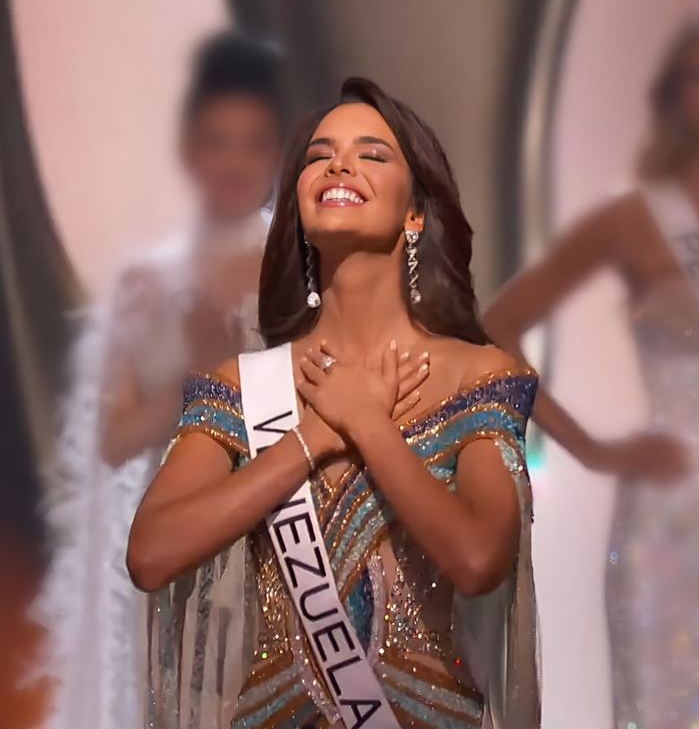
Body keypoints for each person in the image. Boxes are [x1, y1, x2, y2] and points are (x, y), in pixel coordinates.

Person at [129, 77, 540, 728]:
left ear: (415, 212)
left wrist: (368, 423)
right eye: (320, 155)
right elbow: (151, 554)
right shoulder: (244, 386)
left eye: (373, 154)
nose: (340, 164)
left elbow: (477, 558)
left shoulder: (478, 374)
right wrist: (312, 437)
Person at [483, 2, 699, 729]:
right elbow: (494, 330)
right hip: (676, 528)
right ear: (678, 97)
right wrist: (591, 448)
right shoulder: (634, 220)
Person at [31, 31, 283, 729]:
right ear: (190, 148)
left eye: (254, 142)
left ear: (275, 153)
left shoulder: (300, 275)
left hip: (272, 539)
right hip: (165, 539)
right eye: (218, 140)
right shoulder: (148, 281)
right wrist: (187, 377)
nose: (234, 161)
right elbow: (113, 441)